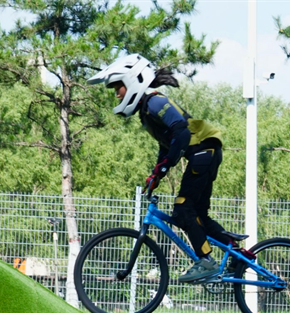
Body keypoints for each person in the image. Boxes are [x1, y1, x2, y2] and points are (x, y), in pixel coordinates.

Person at [88, 54, 248, 283]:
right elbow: (168, 145)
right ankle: (238, 255)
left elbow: (181, 131)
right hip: (205, 153)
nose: (117, 94)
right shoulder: (146, 110)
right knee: (197, 215)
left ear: (132, 82)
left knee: (182, 210)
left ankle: (206, 261)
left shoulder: (155, 101)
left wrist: (165, 167)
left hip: (203, 151)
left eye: (118, 87)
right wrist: (157, 173)